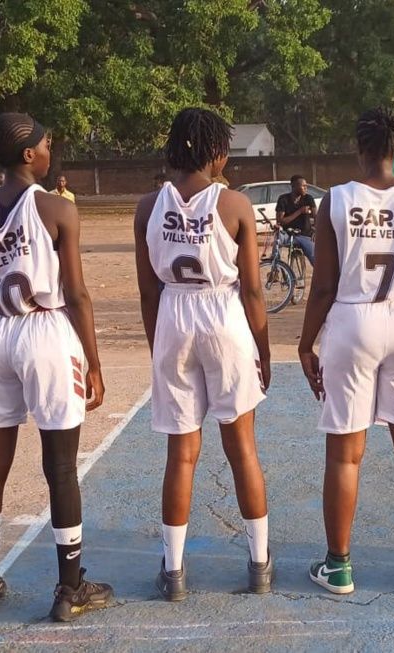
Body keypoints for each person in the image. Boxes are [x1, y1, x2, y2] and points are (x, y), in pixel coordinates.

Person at [0, 113, 112, 621]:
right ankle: (69, 590)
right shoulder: (55, 209)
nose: (50, 151)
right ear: (28, 155)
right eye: (46, 144)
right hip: (45, 331)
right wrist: (92, 362)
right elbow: (77, 294)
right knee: (61, 468)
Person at [298, 107, 394, 595]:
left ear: (360, 148)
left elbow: (322, 287)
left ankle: (339, 565)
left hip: (353, 319)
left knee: (346, 456)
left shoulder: (337, 201)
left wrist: (306, 343)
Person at [134, 108, 273, 599]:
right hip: (224, 318)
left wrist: (159, 348)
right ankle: (259, 564)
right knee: (242, 448)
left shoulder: (147, 206)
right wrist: (263, 349)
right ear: (217, 153)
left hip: (174, 315)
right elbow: (253, 292)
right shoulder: (234, 204)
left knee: (182, 452)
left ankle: (173, 571)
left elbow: (148, 293)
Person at [275, 175, 317, 265]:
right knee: (278, 237)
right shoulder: (283, 199)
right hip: (288, 235)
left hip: (305, 235)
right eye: (303, 186)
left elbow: (316, 217)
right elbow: (280, 221)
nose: (306, 188)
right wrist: (300, 211)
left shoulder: (309, 198)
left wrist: (315, 230)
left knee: (316, 260)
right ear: (294, 186)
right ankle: (275, 269)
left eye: (306, 186)